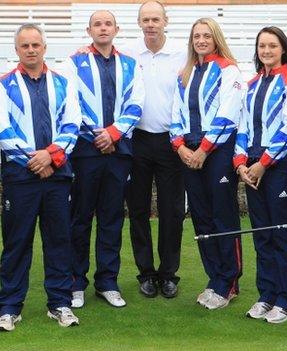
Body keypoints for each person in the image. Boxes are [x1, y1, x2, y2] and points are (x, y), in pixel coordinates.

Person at [0, 24, 81, 330]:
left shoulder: (64, 84)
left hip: (57, 175)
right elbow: (2, 131)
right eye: (25, 45)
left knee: (59, 240)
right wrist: (35, 160)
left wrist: (50, 158)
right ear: (17, 50)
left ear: (44, 47)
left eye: (35, 45)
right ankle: (10, 306)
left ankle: (60, 303)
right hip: (21, 177)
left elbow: (72, 125)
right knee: (17, 242)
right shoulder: (1, 86)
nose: (31, 50)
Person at [65, 10, 145, 309]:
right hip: (86, 151)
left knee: (111, 218)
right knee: (81, 217)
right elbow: (71, 105)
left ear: (116, 29)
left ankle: (107, 282)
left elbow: (137, 103)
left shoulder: (130, 63)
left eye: (107, 23)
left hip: (118, 151)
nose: (103, 28)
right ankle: (76, 283)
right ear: (89, 30)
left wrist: (114, 133)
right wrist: (99, 136)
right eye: (97, 24)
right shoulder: (74, 63)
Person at [170, 17, 243, 310]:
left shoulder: (228, 69)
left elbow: (228, 114)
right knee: (201, 217)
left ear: (216, 39)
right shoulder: (186, 73)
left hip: (218, 153)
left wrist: (204, 149)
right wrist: (179, 147)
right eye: (196, 36)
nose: (201, 40)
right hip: (190, 152)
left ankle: (229, 281)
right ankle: (214, 278)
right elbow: (174, 113)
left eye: (206, 36)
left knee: (222, 216)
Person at [233, 26, 287, 323]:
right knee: (261, 235)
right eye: (262, 46)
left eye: (272, 46)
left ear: (283, 49)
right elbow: (243, 126)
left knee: (282, 236)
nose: (266, 51)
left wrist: (263, 163)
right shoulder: (251, 84)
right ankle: (266, 294)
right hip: (252, 167)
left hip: (278, 168)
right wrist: (240, 163)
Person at [123, 1, 186, 299]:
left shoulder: (180, 54)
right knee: (137, 209)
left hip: (170, 142)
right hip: (136, 139)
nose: (150, 24)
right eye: (145, 19)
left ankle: (168, 273)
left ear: (165, 21)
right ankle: (146, 273)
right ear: (139, 22)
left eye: (155, 19)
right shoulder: (128, 54)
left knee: (172, 210)